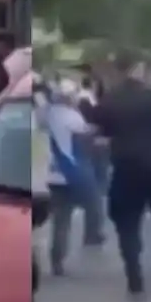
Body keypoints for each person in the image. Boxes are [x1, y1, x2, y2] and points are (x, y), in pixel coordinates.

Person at [91, 52, 151, 297]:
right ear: (139, 71)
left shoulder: (110, 100)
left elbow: (100, 132)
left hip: (127, 168)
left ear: (118, 72)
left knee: (127, 224)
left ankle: (134, 277)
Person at [36, 78, 105, 276]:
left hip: (53, 175)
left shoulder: (45, 114)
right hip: (73, 173)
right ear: (69, 98)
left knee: (61, 221)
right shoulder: (72, 116)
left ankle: (56, 260)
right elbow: (84, 141)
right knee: (95, 203)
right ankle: (93, 235)